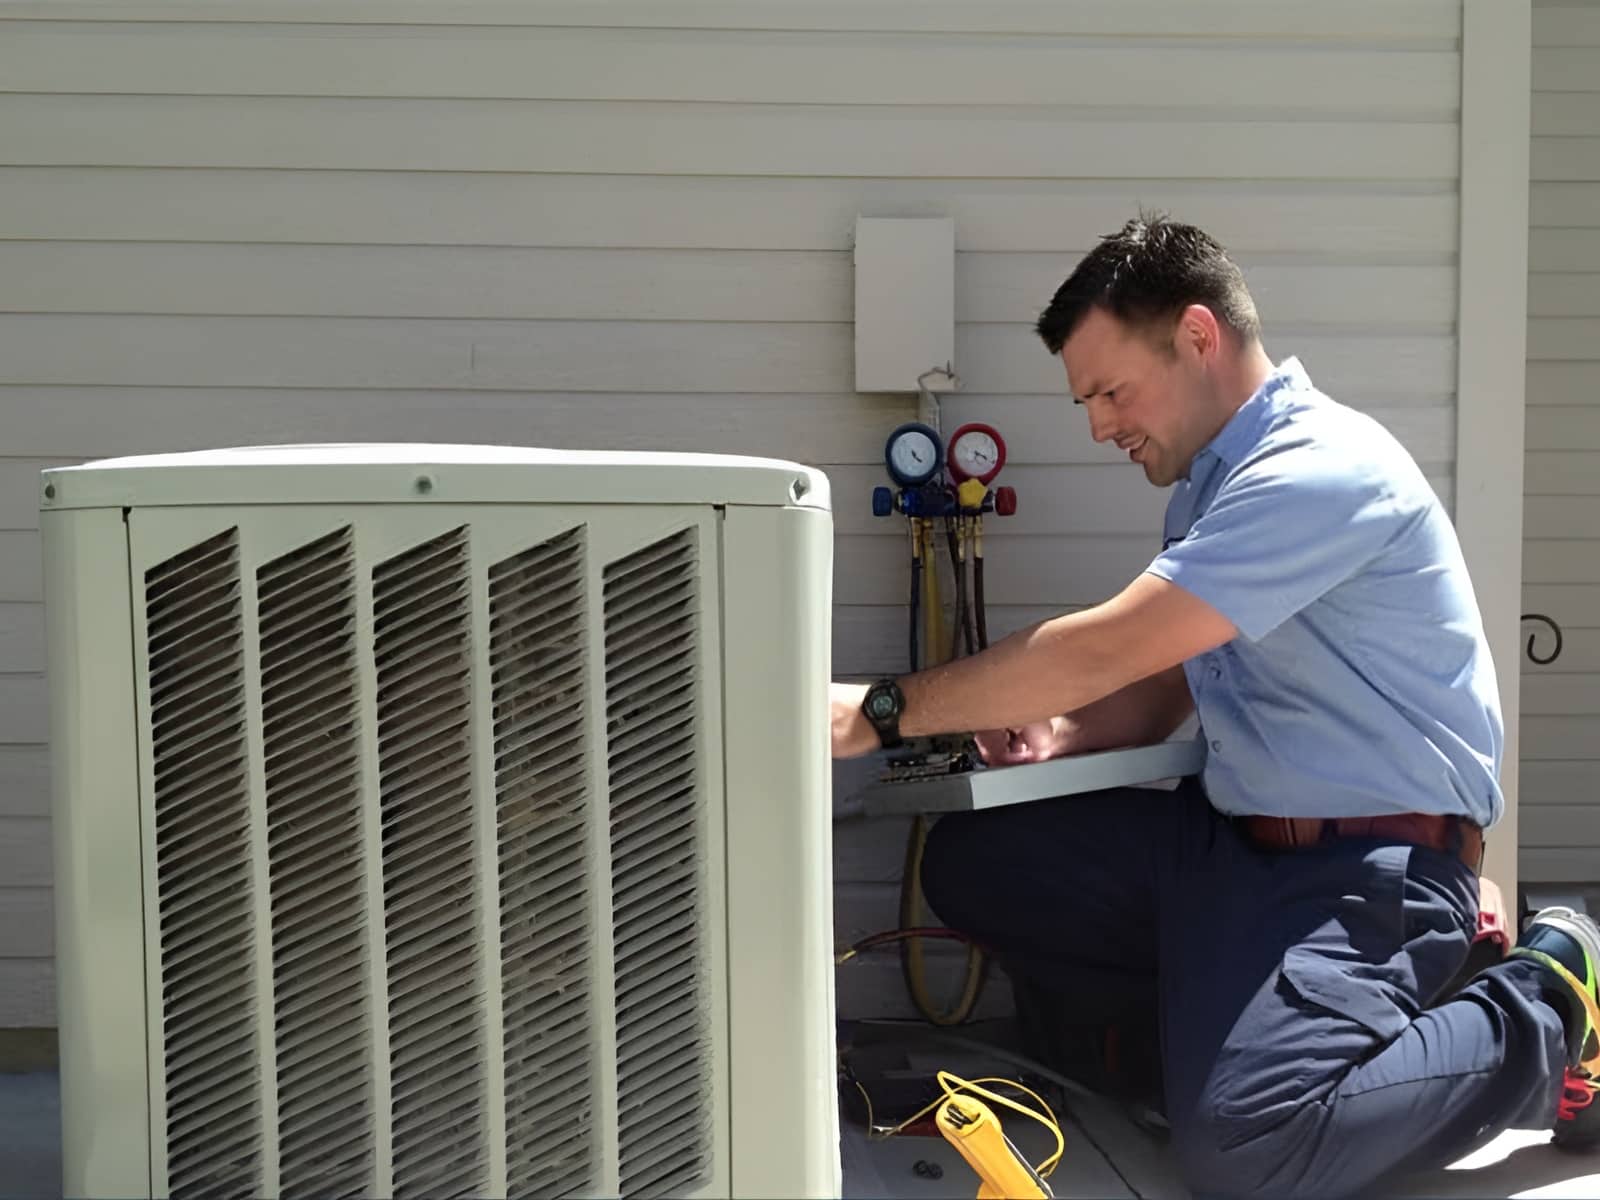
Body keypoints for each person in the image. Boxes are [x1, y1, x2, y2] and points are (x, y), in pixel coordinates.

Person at [830, 214, 1600, 1199]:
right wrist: (1059, 733)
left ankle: (1546, 997)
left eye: (1110, 391)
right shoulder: (1208, 492)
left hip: (1367, 870)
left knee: (1245, 1151)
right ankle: (1227, 1040)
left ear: (1198, 337)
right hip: (1227, 842)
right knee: (981, 862)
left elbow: (1111, 642)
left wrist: (881, 711)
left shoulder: (1320, 470)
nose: (1100, 424)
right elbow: (1164, 679)